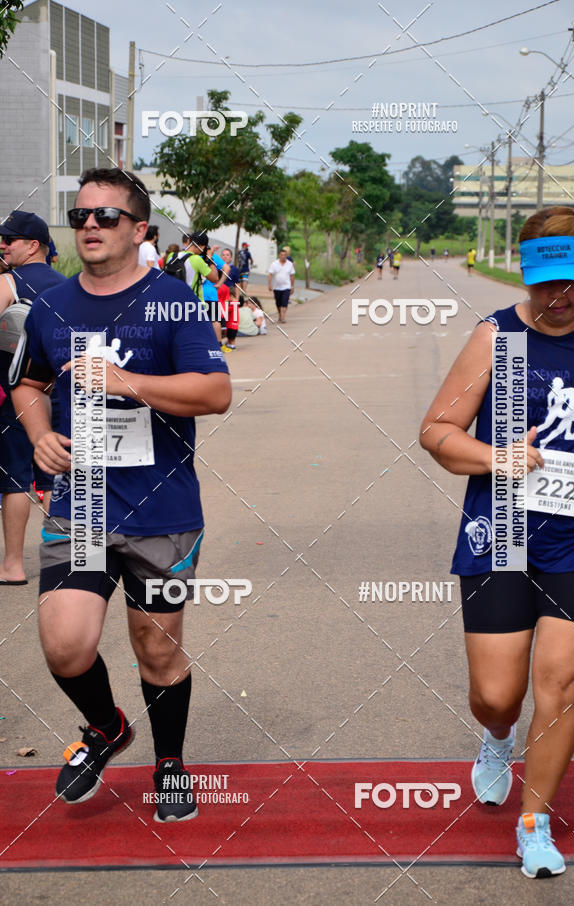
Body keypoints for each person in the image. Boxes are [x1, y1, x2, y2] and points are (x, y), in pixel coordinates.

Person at [10, 167, 231, 821]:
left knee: (157, 647)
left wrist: (127, 383)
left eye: (106, 217)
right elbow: (27, 382)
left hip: (161, 512)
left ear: (140, 230)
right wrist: (42, 433)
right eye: (80, 216)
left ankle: (169, 764)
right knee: (65, 645)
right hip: (82, 505)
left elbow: (214, 392)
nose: (90, 227)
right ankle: (105, 727)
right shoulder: (50, 305)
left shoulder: (173, 302)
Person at [420, 206, 574, 879]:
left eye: (572, 282)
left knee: (563, 682)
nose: (559, 297)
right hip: (501, 532)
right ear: (525, 273)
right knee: (500, 694)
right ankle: (497, 738)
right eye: (546, 282)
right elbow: (437, 430)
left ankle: (535, 824)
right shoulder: (497, 340)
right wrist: (497, 459)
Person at [0, 211, 66, 584]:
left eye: (10, 240)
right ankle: (74, 558)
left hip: (15, 396)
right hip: (61, 395)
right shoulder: (69, 286)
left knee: (15, 479)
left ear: (33, 245)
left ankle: (12, 565)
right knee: (59, 471)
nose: (4, 245)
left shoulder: (9, 282)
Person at [268, 248, 295, 324]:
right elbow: (270, 274)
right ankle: (280, 314)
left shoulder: (289, 264)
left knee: (284, 302)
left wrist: (292, 286)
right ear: (279, 255)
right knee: (278, 302)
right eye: (281, 255)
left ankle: (283, 317)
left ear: (286, 256)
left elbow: (292, 276)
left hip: (286, 286)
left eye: (284, 255)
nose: (283, 256)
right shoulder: (274, 264)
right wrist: (270, 284)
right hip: (277, 287)